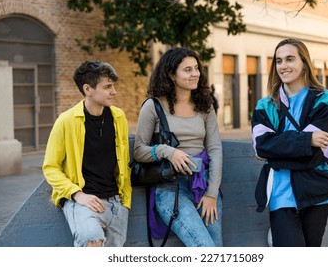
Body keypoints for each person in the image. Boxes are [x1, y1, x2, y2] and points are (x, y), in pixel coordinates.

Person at [251, 38, 328, 247]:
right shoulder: (265, 106)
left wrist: (276, 155)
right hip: (280, 194)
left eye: (290, 59)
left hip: (317, 192)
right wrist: (307, 139)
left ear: (304, 63)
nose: (283, 66)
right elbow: (261, 145)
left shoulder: (324, 100)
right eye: (279, 61)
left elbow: (321, 154)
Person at [133, 47, 223, 247]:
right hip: (170, 187)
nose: (195, 74)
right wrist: (167, 151)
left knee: (217, 248)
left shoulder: (205, 105)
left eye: (196, 68)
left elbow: (215, 150)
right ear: (172, 75)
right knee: (205, 248)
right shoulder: (153, 106)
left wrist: (212, 193)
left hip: (204, 183)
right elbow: (139, 150)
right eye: (187, 70)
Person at [42, 61, 132, 247]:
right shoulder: (66, 121)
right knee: (92, 242)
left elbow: (123, 161)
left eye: (113, 86)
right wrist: (77, 194)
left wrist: (124, 202)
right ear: (88, 89)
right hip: (84, 202)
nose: (114, 91)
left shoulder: (118, 117)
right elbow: (51, 167)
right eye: (107, 87)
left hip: (117, 203)